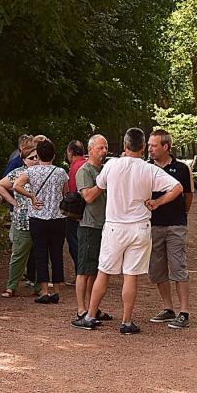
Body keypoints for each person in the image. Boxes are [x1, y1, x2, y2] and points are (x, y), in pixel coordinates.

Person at [74, 128, 183, 333]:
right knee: (131, 275)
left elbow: (100, 185)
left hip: (115, 226)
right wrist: (158, 202)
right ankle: (126, 321)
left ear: (124, 145)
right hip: (140, 227)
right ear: (143, 147)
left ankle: (89, 315)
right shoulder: (149, 169)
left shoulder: (112, 165)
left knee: (104, 272)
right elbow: (177, 187)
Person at [147, 129, 194, 329]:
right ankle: (168, 308)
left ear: (166, 147)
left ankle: (184, 312)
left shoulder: (182, 168)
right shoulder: (145, 168)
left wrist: (181, 215)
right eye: (149, 145)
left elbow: (188, 196)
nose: (150, 149)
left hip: (176, 225)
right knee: (157, 269)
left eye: (154, 145)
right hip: (153, 225)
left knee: (178, 267)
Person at [15, 138, 68, 304]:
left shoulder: (31, 172)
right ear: (53, 155)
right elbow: (65, 193)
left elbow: (16, 185)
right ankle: (57, 289)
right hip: (57, 218)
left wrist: (31, 196)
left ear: (38, 155)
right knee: (56, 254)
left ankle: (44, 290)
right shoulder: (61, 172)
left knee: (40, 254)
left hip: (37, 217)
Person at [73, 135, 109, 323]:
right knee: (83, 270)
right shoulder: (85, 171)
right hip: (89, 225)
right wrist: (102, 183)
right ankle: (81, 309)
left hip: (105, 225)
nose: (104, 152)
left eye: (105, 148)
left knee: (96, 269)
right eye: (100, 148)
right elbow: (87, 196)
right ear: (90, 150)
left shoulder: (103, 170)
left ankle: (93, 308)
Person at [0, 137, 38, 298]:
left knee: (40, 255)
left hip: (40, 219)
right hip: (23, 220)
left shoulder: (42, 173)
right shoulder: (17, 174)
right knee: (19, 253)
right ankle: (11, 285)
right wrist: (13, 202)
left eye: (37, 157)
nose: (35, 160)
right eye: (31, 158)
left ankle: (39, 286)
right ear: (24, 159)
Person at [64, 139, 87, 270]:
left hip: (76, 213)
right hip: (90, 213)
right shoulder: (89, 165)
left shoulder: (75, 168)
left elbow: (72, 192)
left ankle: (80, 273)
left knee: (75, 243)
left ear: (70, 152)